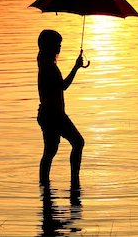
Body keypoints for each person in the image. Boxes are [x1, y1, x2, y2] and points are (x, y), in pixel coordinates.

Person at [37, 29, 87, 188]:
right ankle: (74, 181)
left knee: (50, 151)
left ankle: (44, 186)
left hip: (48, 115)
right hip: (54, 116)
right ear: (49, 46)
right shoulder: (48, 67)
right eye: (57, 45)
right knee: (78, 142)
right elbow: (63, 86)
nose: (59, 47)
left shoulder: (45, 63)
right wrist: (76, 67)